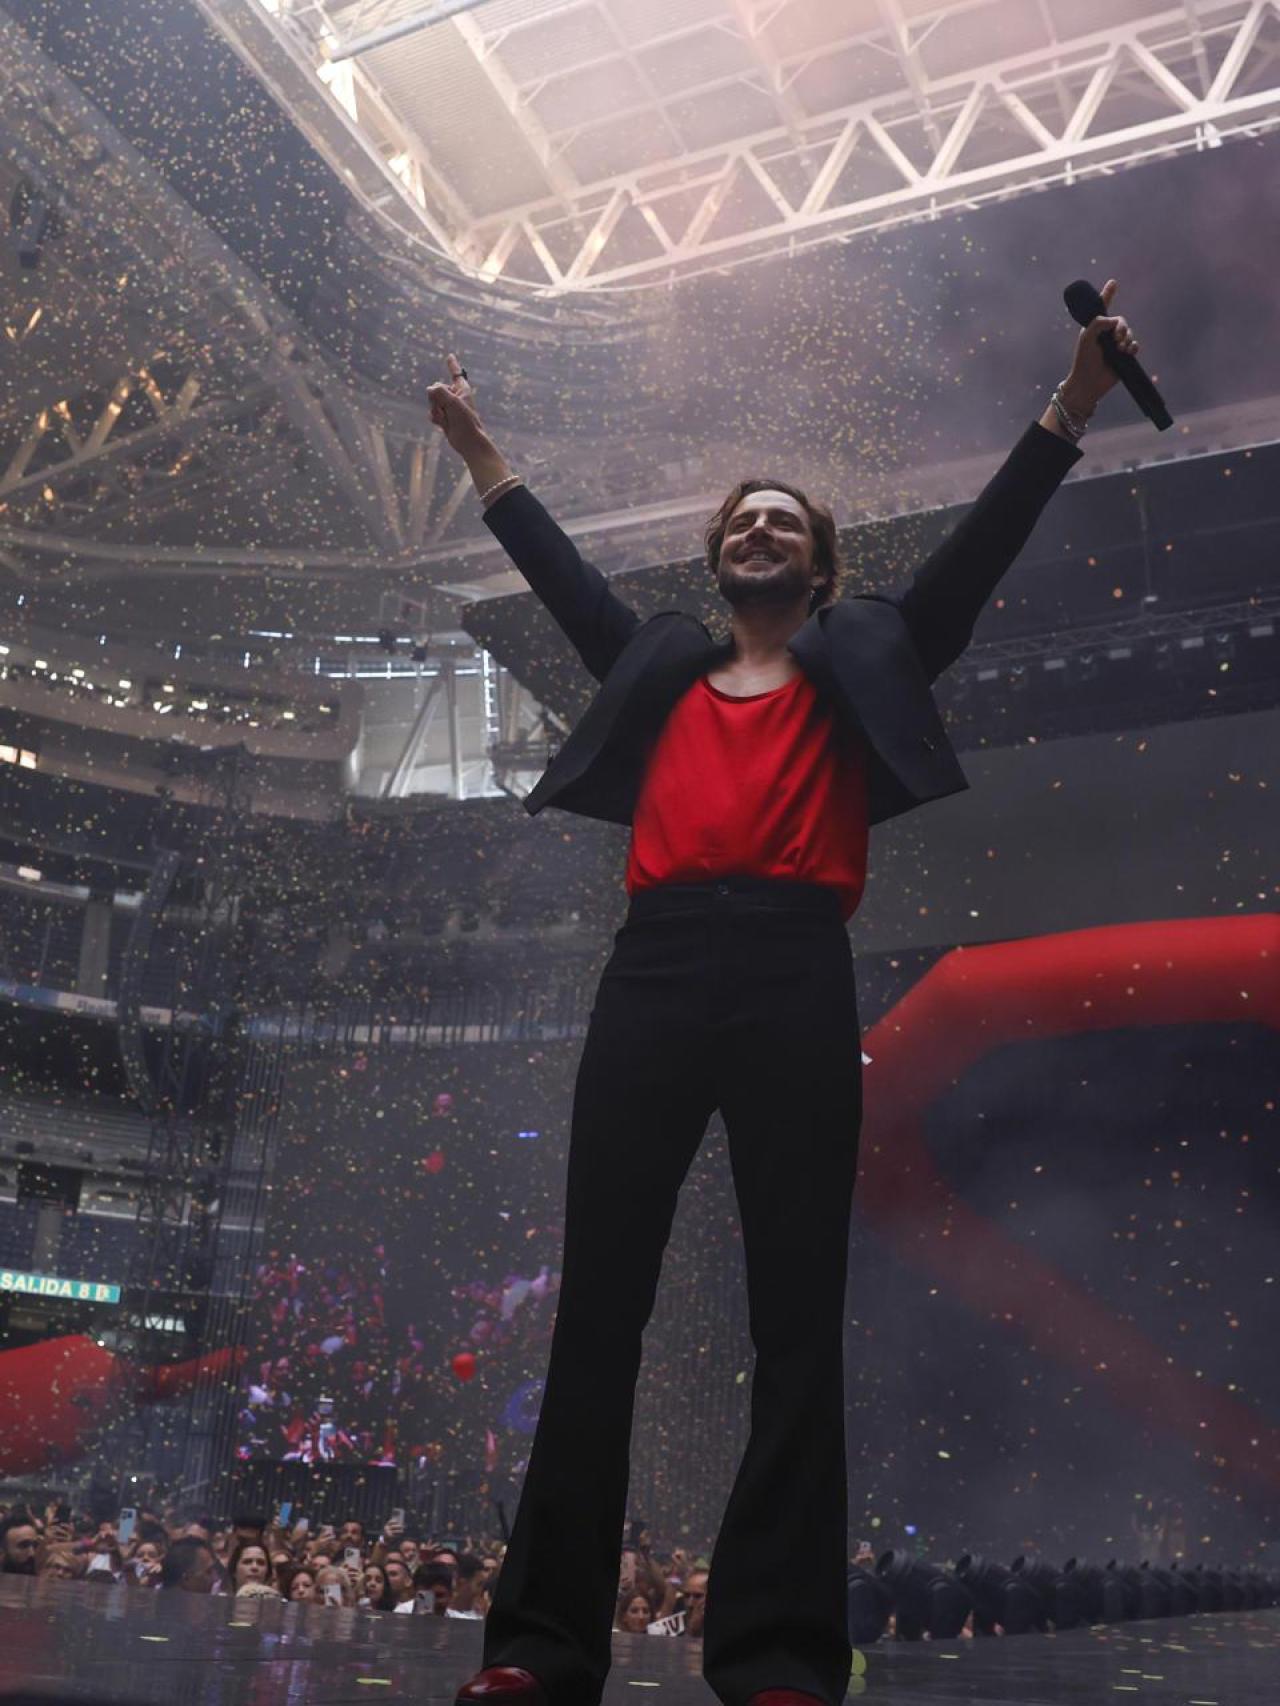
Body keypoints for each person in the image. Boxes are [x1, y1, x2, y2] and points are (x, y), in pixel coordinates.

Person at [426, 282, 1142, 1706]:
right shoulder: (663, 664)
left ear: (817, 569)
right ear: (719, 559)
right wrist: (477, 451)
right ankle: (538, 1646)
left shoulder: (863, 652)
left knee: (793, 1315)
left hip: (798, 963)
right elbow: (567, 581)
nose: (761, 527)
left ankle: (775, 1653)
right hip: (660, 963)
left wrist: (1072, 404)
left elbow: (974, 560)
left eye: (787, 522)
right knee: (599, 1309)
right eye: (743, 518)